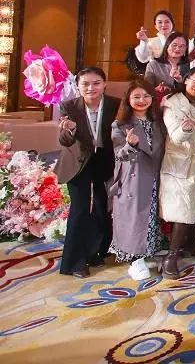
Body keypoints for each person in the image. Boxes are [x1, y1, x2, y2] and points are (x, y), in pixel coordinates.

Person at [55, 68, 121, 278]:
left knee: (102, 208)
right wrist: (71, 130)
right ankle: (74, 262)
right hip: (78, 162)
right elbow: (64, 141)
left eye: (96, 83)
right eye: (85, 84)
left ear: (104, 84)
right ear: (77, 86)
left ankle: (95, 252)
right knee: (80, 209)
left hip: (104, 160)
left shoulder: (115, 104)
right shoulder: (69, 106)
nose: (91, 88)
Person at [160, 67, 195, 279]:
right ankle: (171, 257)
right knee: (183, 209)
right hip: (181, 161)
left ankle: (192, 243)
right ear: (186, 79)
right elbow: (175, 135)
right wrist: (186, 129)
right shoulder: (172, 101)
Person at [109, 80, 165, 281]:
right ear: (128, 99)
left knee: (150, 216)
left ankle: (147, 251)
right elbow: (119, 155)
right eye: (137, 97)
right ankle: (134, 259)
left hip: (155, 176)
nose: (142, 100)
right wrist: (130, 145)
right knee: (133, 218)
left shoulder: (158, 122)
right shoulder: (120, 125)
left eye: (146, 96)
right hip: (133, 177)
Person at [145, 32, 190, 101]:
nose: (178, 48)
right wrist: (156, 89)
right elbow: (146, 89)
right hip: (159, 101)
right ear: (167, 45)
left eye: (182, 46)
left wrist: (180, 82)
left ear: (186, 49)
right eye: (174, 45)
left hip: (183, 102)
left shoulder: (191, 65)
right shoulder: (153, 65)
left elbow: (191, 90)